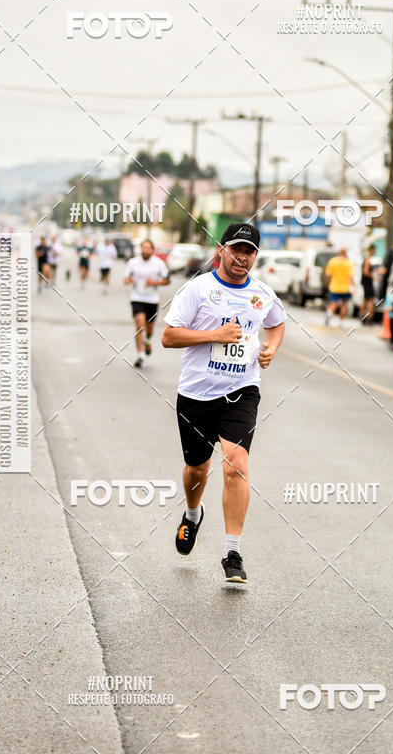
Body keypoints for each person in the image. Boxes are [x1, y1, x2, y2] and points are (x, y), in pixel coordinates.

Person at [162, 222, 286, 583]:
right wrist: (213, 335)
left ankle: (232, 552)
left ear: (255, 257)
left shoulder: (262, 294)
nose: (241, 258)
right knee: (197, 471)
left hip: (241, 391)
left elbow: (277, 324)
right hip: (197, 395)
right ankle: (192, 513)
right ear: (221, 250)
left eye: (249, 252)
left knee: (236, 464)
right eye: (236, 250)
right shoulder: (198, 290)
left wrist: (271, 349)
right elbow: (169, 336)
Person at [123, 239, 170, 367]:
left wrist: (155, 283)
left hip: (152, 300)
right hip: (137, 298)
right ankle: (140, 356)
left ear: (152, 250)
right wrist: (128, 280)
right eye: (143, 248)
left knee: (149, 329)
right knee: (139, 325)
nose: (145, 251)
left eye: (148, 248)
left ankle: (147, 340)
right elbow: (126, 278)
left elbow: (167, 280)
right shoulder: (133, 263)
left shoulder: (158, 264)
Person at [324, 247, 355, 327]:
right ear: (345, 253)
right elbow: (351, 277)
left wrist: (327, 283)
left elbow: (328, 275)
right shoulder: (348, 263)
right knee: (344, 304)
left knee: (333, 302)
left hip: (334, 286)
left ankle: (329, 313)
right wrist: (354, 286)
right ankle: (340, 321)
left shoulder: (333, 261)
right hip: (345, 287)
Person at [360, 244, 376, 324]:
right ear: (372, 250)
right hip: (368, 282)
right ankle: (369, 318)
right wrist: (373, 277)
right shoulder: (367, 259)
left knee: (365, 299)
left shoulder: (366, 258)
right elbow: (366, 272)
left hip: (365, 282)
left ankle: (362, 316)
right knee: (370, 300)